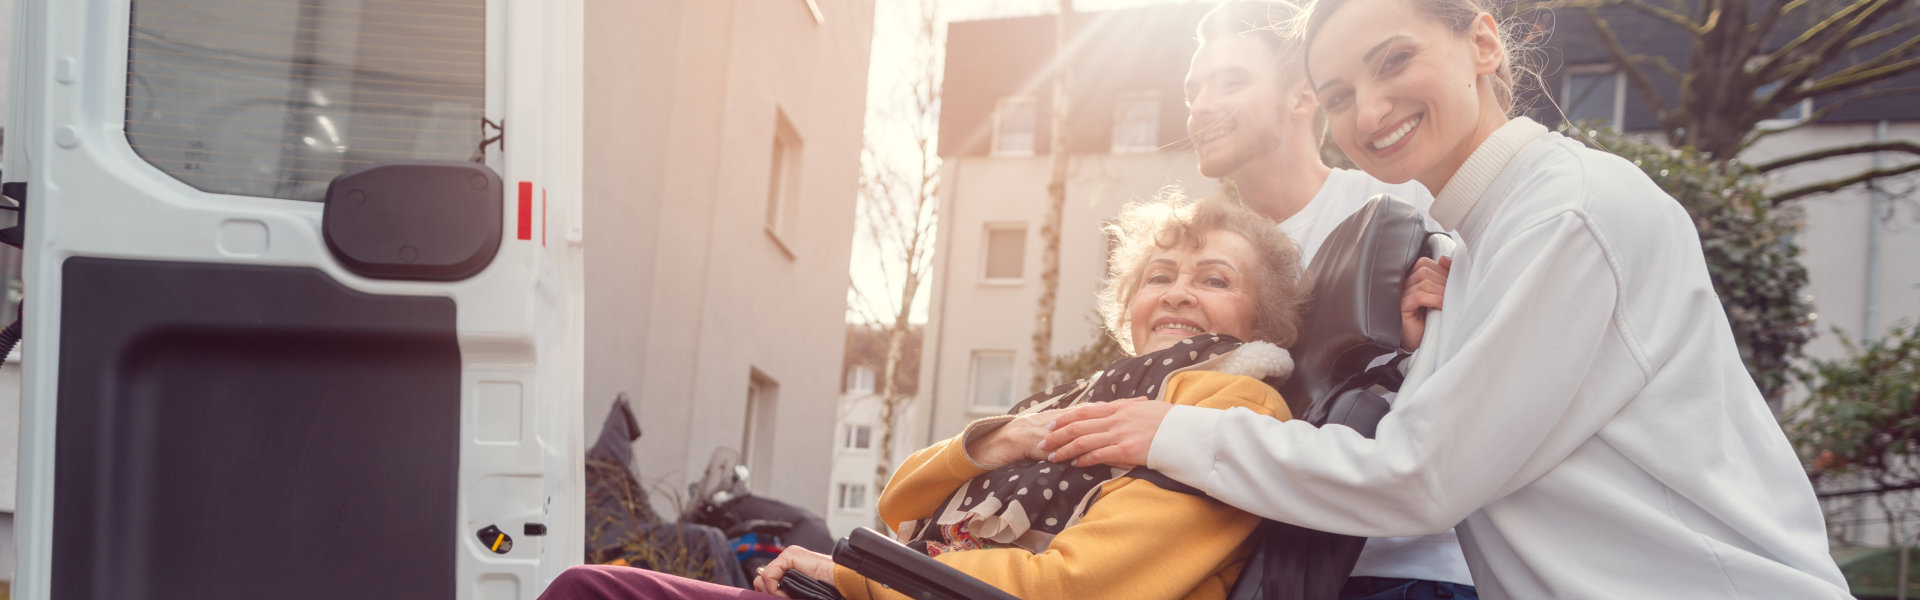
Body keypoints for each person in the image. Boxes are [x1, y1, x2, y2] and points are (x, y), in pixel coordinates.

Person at [1042, 0, 1853, 596]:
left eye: (1393, 61)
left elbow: (1418, 478)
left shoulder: (1567, 214)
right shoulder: (1473, 243)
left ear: (1483, 40)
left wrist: (1176, 430)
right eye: (1338, 93)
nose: (1369, 109)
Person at [540, 194, 1391, 600]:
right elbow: (902, 500)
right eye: (1158, 276)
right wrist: (991, 444)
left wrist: (855, 580)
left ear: (1265, 315)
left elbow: (1078, 586)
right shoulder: (1092, 394)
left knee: (596, 594)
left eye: (1213, 280)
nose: (1175, 294)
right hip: (916, 587)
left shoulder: (1223, 409)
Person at [1185, 3, 1470, 598]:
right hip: (1260, 566)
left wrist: (1424, 344)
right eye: (1193, 91)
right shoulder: (1203, 260)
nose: (1201, 107)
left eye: (1230, 82)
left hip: (1398, 566)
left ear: (1301, 97)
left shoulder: (1402, 206)